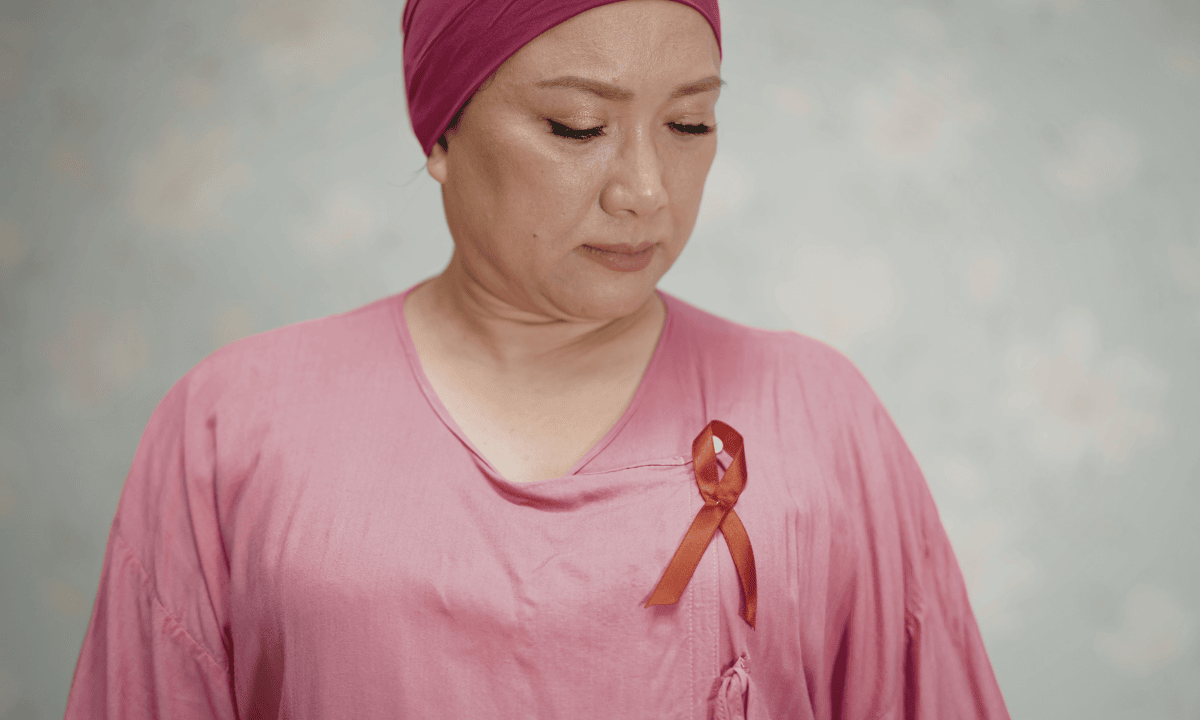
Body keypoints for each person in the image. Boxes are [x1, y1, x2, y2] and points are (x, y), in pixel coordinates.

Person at [63, 0, 1013, 717]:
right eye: (576, 127)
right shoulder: (234, 421)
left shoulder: (816, 410)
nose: (646, 190)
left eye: (690, 124)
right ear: (441, 133)